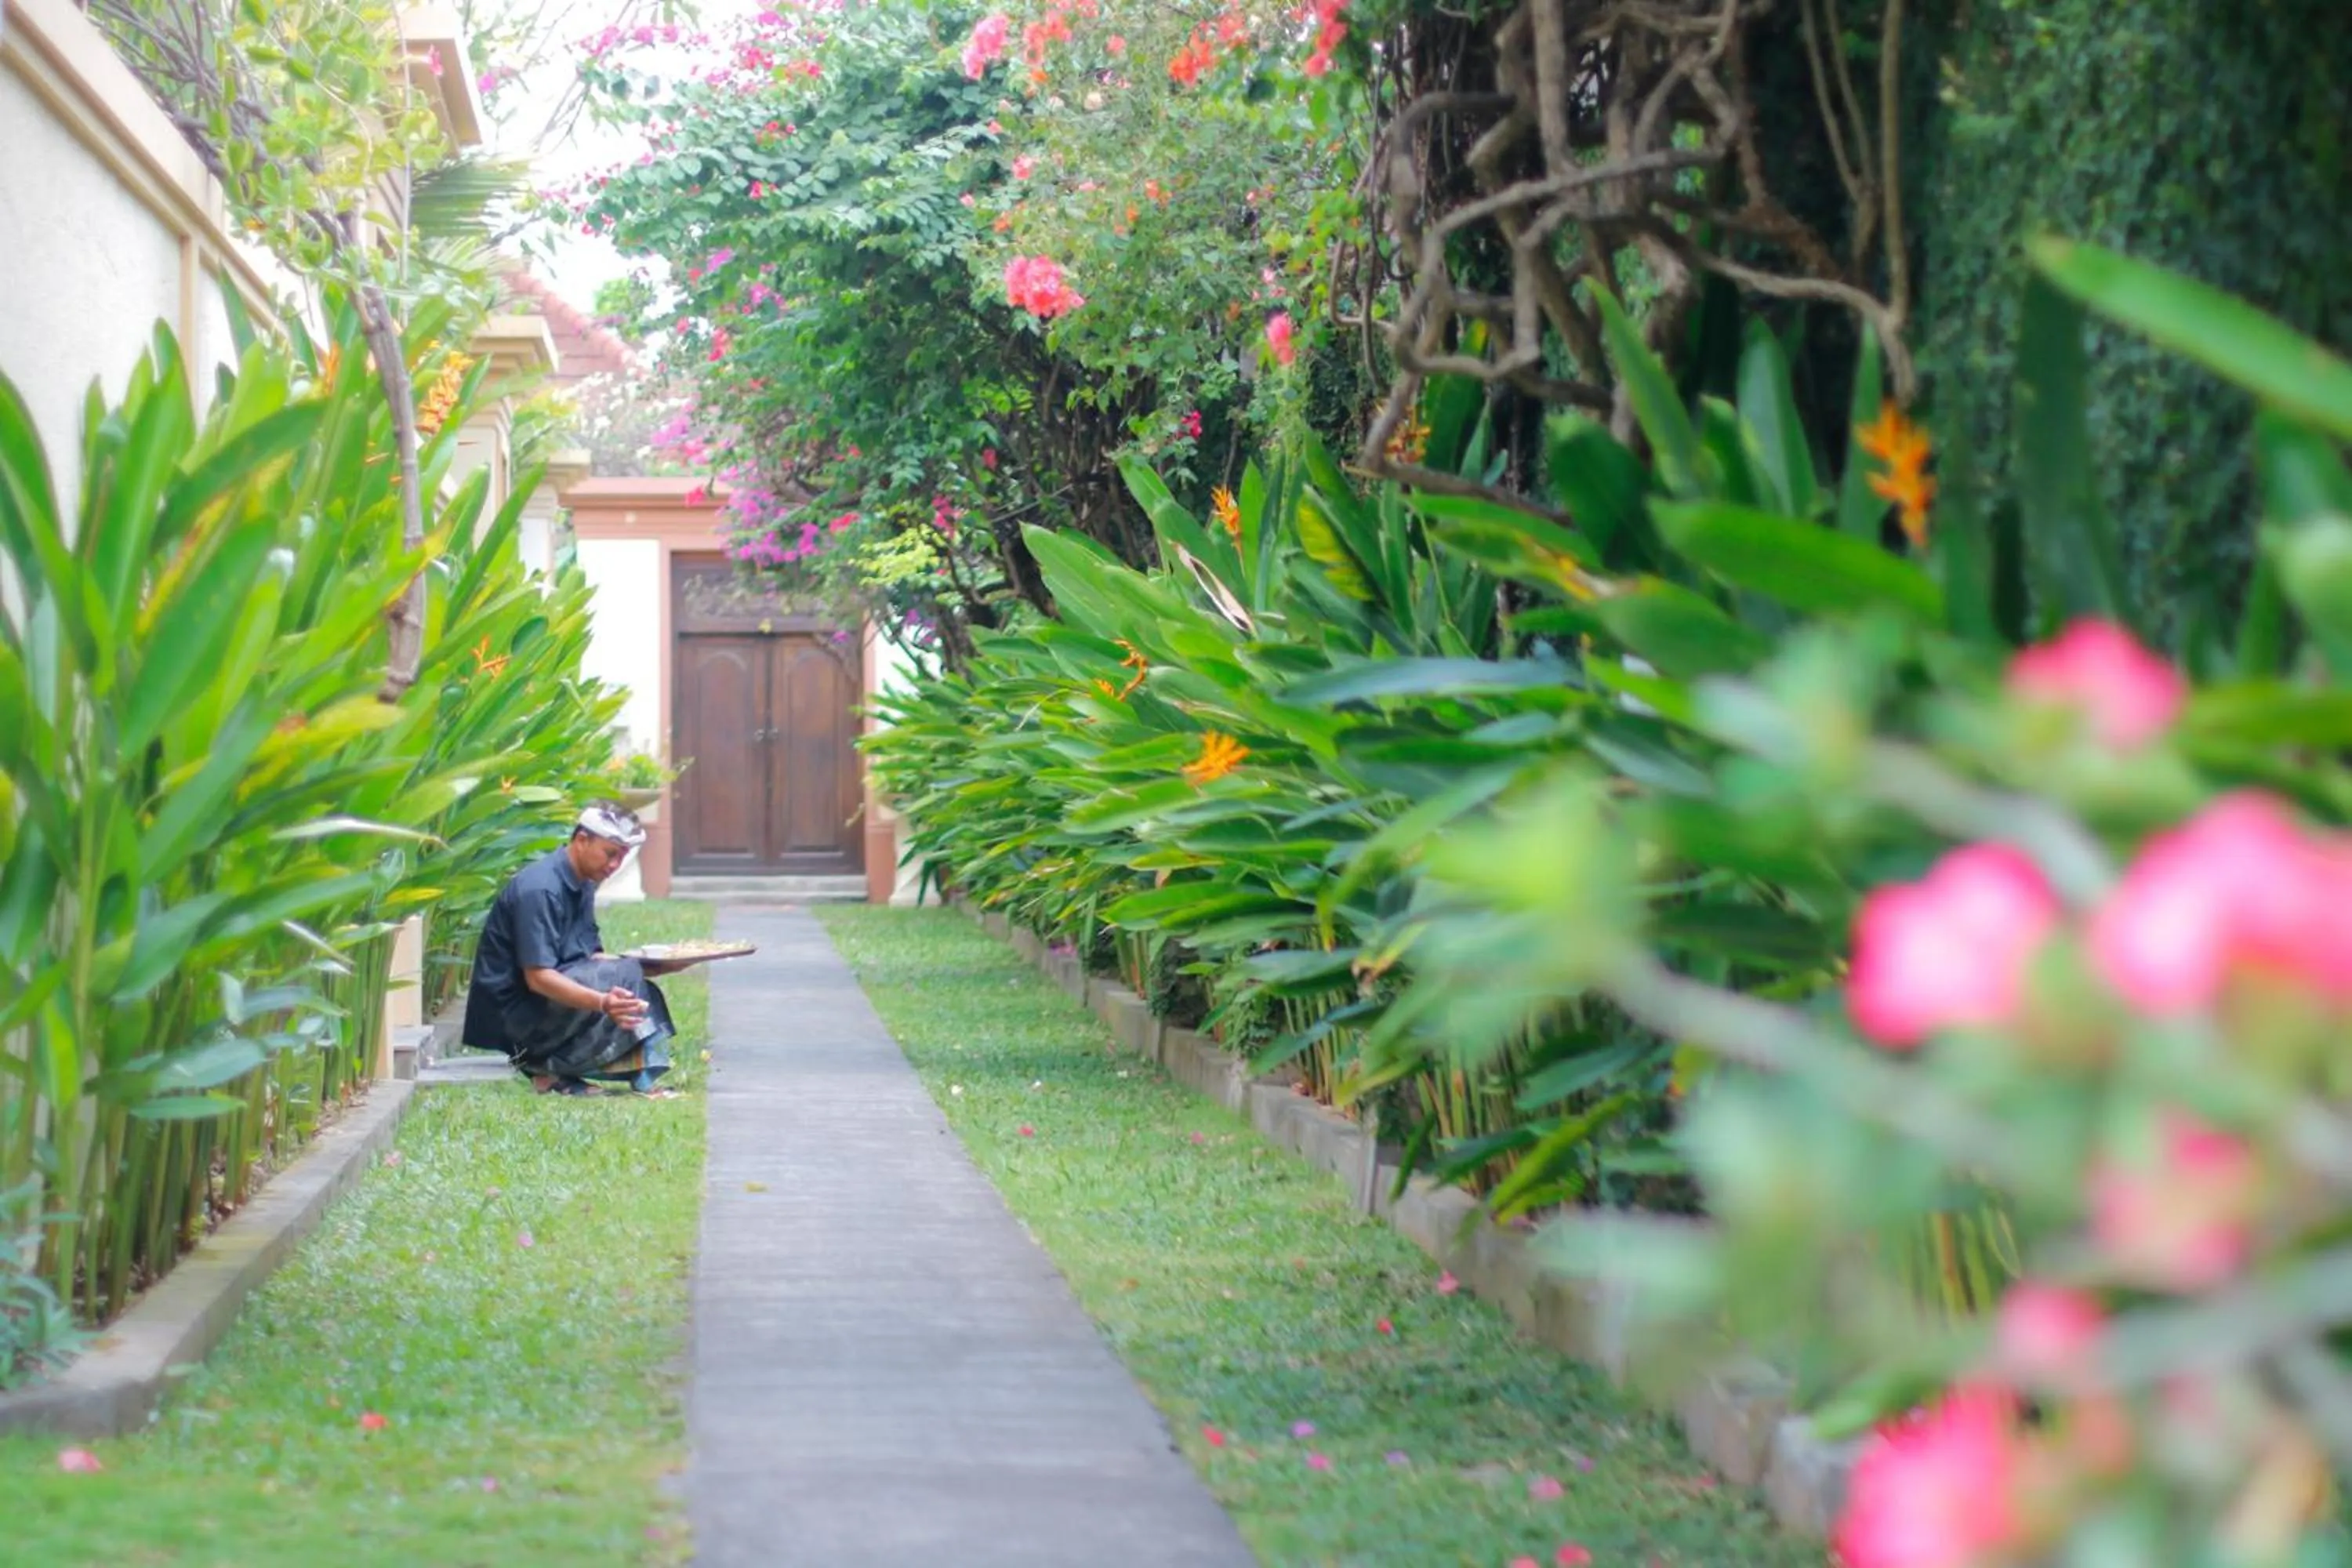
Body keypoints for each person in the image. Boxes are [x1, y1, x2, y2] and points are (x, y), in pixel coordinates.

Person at [461, 802, 684, 1098]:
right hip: (513, 1019)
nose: (615, 865)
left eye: (623, 856)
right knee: (626, 977)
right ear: (582, 840)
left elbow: (589, 957)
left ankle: (628, 1074)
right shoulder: (541, 889)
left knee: (641, 987)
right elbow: (538, 978)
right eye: (611, 853)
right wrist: (604, 1002)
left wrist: (656, 964)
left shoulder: (583, 883)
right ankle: (542, 1065)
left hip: (542, 1003)